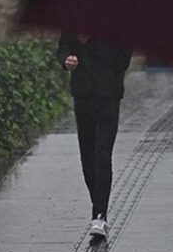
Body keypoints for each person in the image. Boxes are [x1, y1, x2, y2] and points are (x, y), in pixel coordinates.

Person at [57, 32, 133, 239]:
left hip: (108, 94)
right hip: (83, 94)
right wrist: (67, 60)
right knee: (87, 157)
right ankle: (98, 204)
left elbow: (121, 62)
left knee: (102, 154)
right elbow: (64, 46)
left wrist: (90, 42)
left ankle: (100, 215)